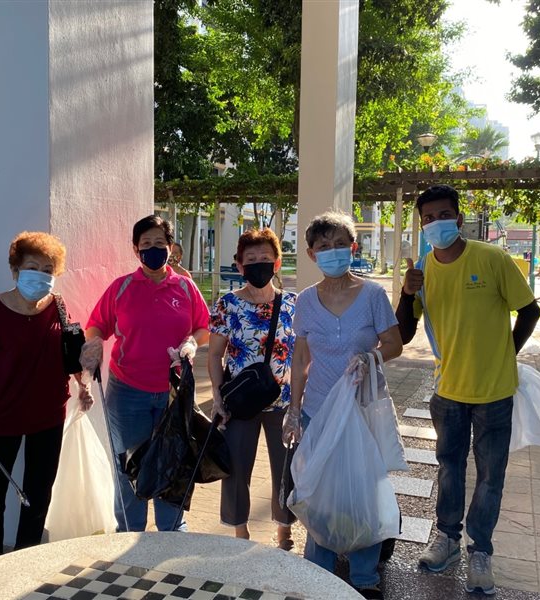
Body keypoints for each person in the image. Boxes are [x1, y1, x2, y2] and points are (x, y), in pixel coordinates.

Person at [396, 185, 540, 595]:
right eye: (428, 218)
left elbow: (530, 310)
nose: (436, 223)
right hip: (448, 392)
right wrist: (407, 293)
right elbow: (403, 334)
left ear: (459, 219)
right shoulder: (422, 270)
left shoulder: (492, 258)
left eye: (444, 215)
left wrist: (507, 353)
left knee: (491, 476)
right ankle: (447, 538)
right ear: (421, 225)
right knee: (449, 468)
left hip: (494, 392)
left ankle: (481, 551)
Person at [284, 211, 403, 600]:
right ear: (311, 253)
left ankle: (364, 574)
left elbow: (394, 343)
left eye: (339, 244)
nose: (332, 251)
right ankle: (320, 569)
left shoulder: (372, 295)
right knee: (319, 491)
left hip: (361, 408)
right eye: (323, 246)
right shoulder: (305, 300)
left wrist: (371, 357)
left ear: (353, 248)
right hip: (318, 409)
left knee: (362, 491)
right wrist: (293, 410)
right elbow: (300, 359)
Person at [0, 231, 93, 560]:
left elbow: (69, 355)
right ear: (15, 269)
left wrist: (84, 384)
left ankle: (24, 561)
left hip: (48, 418)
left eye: (48, 269)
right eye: (33, 267)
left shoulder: (58, 306)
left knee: (38, 496)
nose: (41, 275)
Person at [79, 215, 210, 532]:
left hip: (173, 393)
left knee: (171, 461)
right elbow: (96, 326)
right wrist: (93, 344)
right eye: (146, 243)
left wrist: (192, 342)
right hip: (127, 393)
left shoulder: (185, 287)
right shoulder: (122, 287)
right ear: (136, 249)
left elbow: (204, 327)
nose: (153, 249)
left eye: (159, 243)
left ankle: (171, 531)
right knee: (129, 465)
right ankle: (129, 531)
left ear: (171, 247)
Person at [208, 228, 298, 550]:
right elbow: (215, 354)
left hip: (282, 401)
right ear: (239, 265)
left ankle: (284, 530)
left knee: (286, 468)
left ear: (277, 263)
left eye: (265, 258)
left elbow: (303, 354)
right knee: (236, 469)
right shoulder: (228, 304)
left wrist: (299, 403)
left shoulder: (293, 304)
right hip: (240, 403)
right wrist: (217, 397)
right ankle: (240, 532)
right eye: (251, 259)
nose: (258, 264)